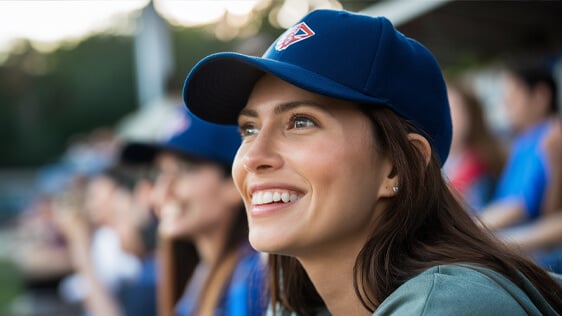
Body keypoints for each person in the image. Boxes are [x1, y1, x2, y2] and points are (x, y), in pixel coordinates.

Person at [182, 9, 562, 315]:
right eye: (248, 129)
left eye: (300, 122)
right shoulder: (299, 305)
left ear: (398, 166)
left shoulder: (448, 306)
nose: (252, 157)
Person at [128, 107, 268, 316]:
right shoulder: (201, 274)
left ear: (234, 182)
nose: (163, 191)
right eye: (160, 173)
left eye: (184, 170)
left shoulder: (257, 278)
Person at [479, 59, 559, 230]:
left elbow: (519, 206)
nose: (506, 104)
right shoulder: (523, 140)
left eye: (513, 96)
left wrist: (473, 229)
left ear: (540, 95)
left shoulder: (551, 136)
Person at [443, 80, 506, 211]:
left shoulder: (484, 162)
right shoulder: (431, 161)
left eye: (452, 108)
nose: (445, 116)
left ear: (470, 115)